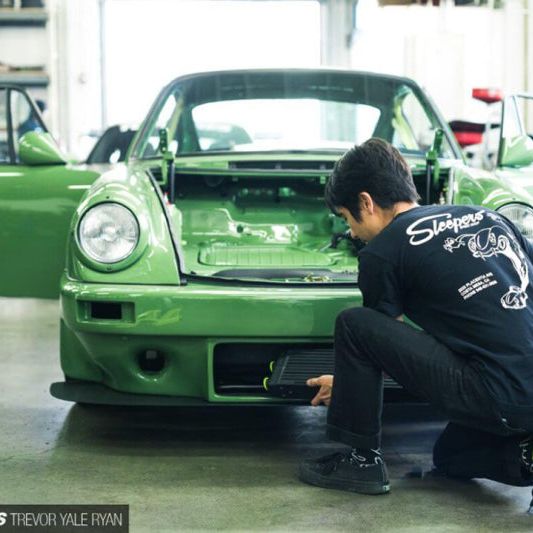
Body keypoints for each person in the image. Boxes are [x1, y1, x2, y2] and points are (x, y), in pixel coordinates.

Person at [298, 138, 533, 500]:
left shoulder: (381, 253)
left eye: (347, 218)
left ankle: (361, 461)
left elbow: (380, 344)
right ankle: (528, 455)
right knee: (449, 457)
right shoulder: (491, 218)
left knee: (354, 324)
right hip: (515, 390)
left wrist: (347, 388)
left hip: (497, 394)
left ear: (366, 202)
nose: (352, 233)